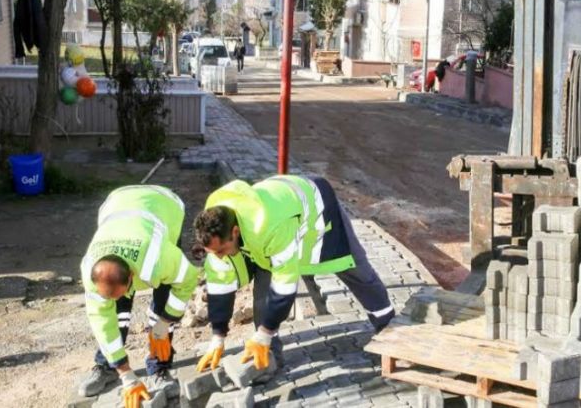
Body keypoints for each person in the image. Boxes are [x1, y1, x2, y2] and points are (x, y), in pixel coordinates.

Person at [193, 175, 394, 373]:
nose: (219, 257)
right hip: (278, 220)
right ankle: (267, 357)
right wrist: (217, 336)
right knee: (263, 288)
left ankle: (389, 329)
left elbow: (284, 287)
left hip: (318, 208)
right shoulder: (217, 228)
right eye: (213, 253)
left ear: (235, 232)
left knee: (354, 269)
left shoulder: (268, 227)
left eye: (221, 251)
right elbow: (220, 284)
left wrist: (264, 332)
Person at [78, 185, 198, 408]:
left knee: (162, 303)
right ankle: (107, 367)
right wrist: (125, 374)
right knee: (116, 313)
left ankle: (159, 367)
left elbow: (188, 279)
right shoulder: (89, 270)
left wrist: (165, 321)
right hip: (117, 204)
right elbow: (102, 323)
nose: (111, 300)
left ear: (132, 276)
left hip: (164, 206)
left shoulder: (159, 258)